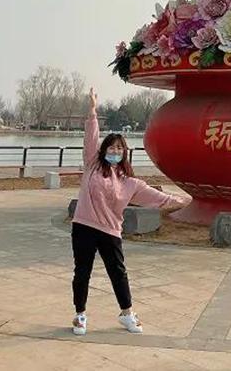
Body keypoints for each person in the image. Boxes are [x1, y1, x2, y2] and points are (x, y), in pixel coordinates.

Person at [71, 87, 191, 336]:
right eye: (111, 148)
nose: (114, 151)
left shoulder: (129, 182)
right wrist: (92, 111)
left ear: (124, 153)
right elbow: (91, 137)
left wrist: (186, 202)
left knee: (118, 273)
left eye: (119, 149)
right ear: (104, 150)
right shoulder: (92, 165)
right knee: (82, 272)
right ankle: (80, 315)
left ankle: (127, 314)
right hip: (83, 226)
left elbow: (159, 198)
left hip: (110, 231)